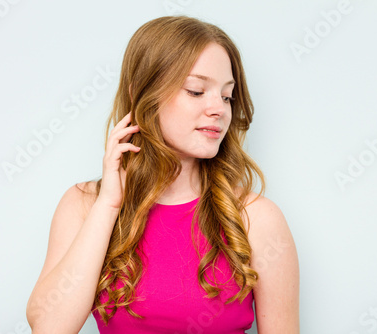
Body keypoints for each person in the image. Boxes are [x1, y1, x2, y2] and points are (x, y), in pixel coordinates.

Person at [26, 15, 299, 333]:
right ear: (142, 95)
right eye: (196, 91)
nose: (219, 109)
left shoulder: (257, 218)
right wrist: (109, 206)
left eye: (226, 95)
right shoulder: (84, 205)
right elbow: (49, 326)